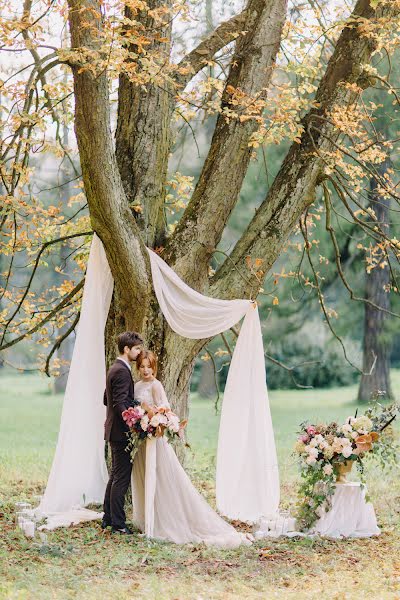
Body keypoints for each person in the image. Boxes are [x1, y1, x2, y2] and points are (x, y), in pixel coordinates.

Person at [131, 350, 252, 548]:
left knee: (160, 477)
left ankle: (164, 520)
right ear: (138, 368)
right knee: (144, 475)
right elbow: (135, 407)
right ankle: (147, 519)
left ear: (154, 367)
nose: (145, 370)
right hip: (142, 439)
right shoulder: (136, 386)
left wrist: (154, 415)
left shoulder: (156, 384)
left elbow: (164, 407)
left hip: (155, 437)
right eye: (142, 366)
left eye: (149, 366)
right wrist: (140, 416)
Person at [102, 331, 143, 534]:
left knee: (116, 475)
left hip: (113, 429)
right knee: (121, 478)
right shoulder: (121, 371)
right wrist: (134, 422)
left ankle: (107, 518)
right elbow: (118, 403)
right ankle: (118, 524)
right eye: (136, 349)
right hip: (120, 432)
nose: (138, 352)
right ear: (126, 349)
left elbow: (106, 399)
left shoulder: (115, 368)